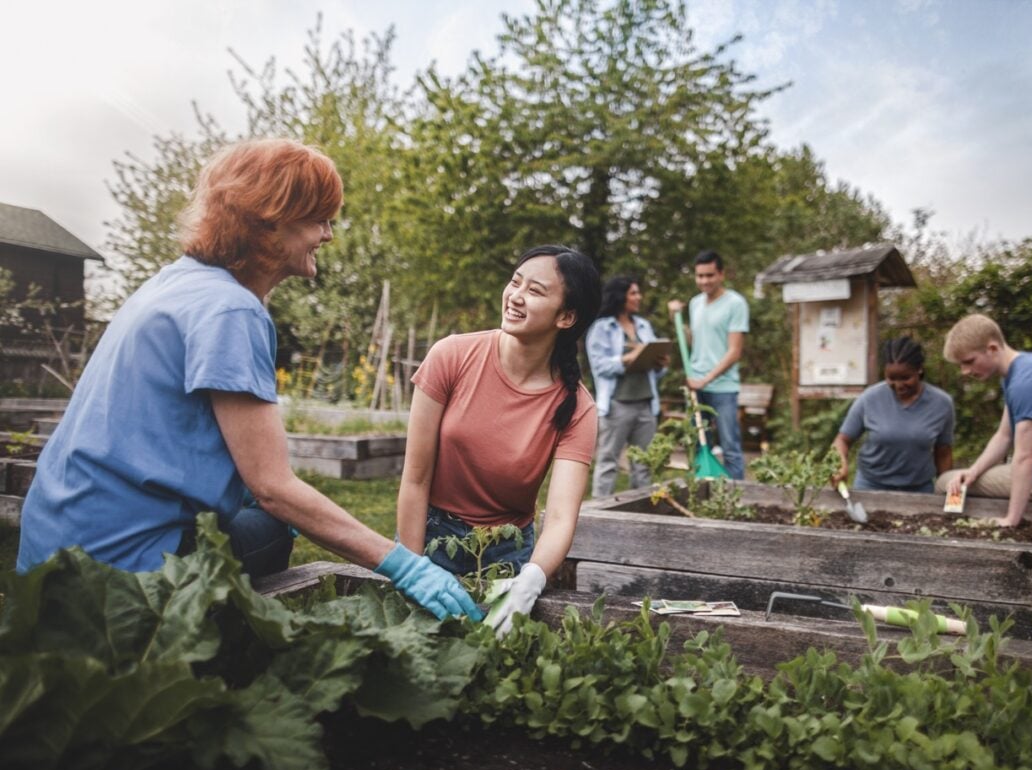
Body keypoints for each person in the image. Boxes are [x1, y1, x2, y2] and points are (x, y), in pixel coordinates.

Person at [17, 138, 480, 623]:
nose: (327, 235)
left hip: (52, 551)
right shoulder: (231, 310)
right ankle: (202, 645)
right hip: (118, 572)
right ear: (271, 220)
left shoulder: (173, 282)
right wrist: (405, 566)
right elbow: (273, 487)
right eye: (319, 219)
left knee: (254, 517)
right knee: (275, 526)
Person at [396, 245, 600, 635]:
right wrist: (412, 566)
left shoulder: (577, 409)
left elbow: (559, 517)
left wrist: (532, 579)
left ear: (566, 316)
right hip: (430, 536)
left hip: (507, 555)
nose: (516, 296)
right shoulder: (452, 356)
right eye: (515, 282)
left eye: (536, 291)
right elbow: (415, 478)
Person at [936, 314, 1032, 526]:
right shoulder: (1022, 370)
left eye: (969, 362)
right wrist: (972, 472)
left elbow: (1025, 457)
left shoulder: (1025, 383)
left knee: (944, 482)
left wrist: (1011, 519)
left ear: (992, 348)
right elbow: (1004, 436)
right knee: (961, 478)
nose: (965, 371)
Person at [830, 337, 955, 493]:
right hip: (870, 486)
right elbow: (842, 440)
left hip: (919, 489)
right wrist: (840, 463)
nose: (898, 385)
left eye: (905, 378)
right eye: (891, 378)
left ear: (919, 370)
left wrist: (950, 497)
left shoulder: (941, 404)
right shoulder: (870, 398)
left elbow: (943, 453)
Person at [666, 249, 749, 479]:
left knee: (730, 447)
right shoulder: (695, 303)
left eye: (709, 275)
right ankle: (703, 495)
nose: (704, 281)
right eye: (700, 276)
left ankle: (737, 499)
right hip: (696, 385)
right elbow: (695, 341)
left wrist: (706, 379)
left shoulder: (735, 303)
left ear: (721, 274)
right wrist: (677, 321)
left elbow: (734, 351)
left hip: (722, 387)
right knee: (698, 444)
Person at [585, 276, 669, 497]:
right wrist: (628, 358)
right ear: (620, 296)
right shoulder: (601, 328)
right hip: (617, 406)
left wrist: (660, 363)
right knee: (608, 461)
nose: (638, 297)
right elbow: (600, 366)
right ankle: (600, 512)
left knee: (643, 464)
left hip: (646, 405)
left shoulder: (643, 325)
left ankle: (640, 513)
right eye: (633, 293)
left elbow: (654, 368)